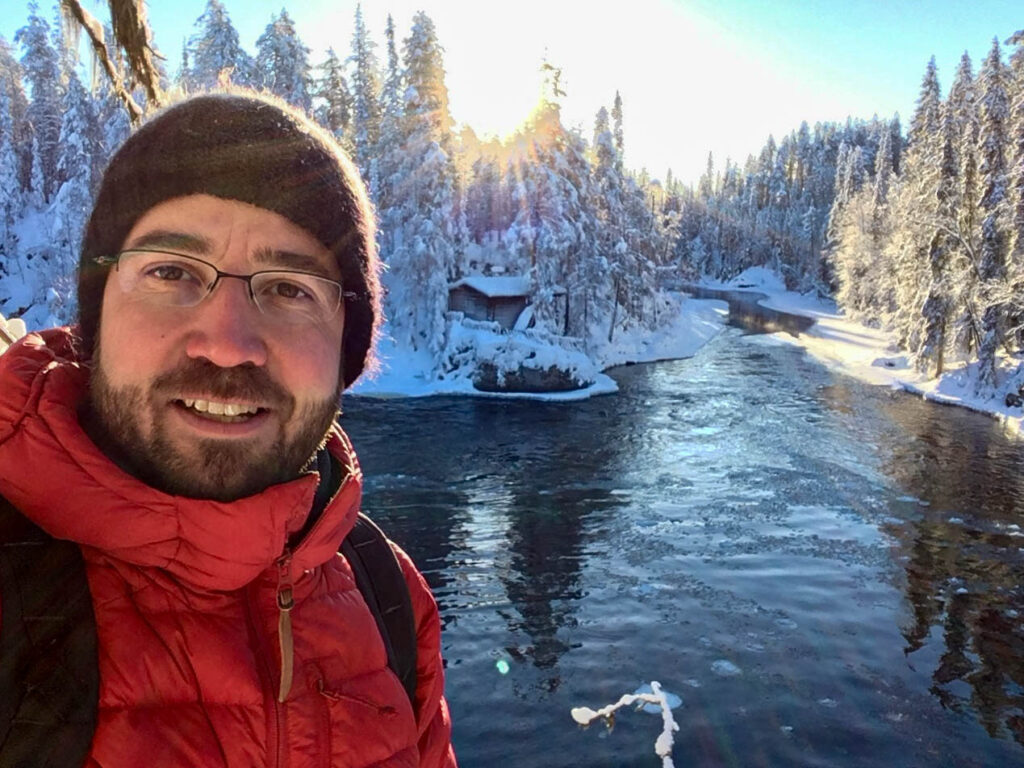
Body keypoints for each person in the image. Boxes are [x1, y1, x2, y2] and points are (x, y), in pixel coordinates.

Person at [0, 90, 456, 767]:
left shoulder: (388, 592)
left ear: (344, 351)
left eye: (288, 288)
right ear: (97, 321)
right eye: (173, 272)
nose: (228, 343)